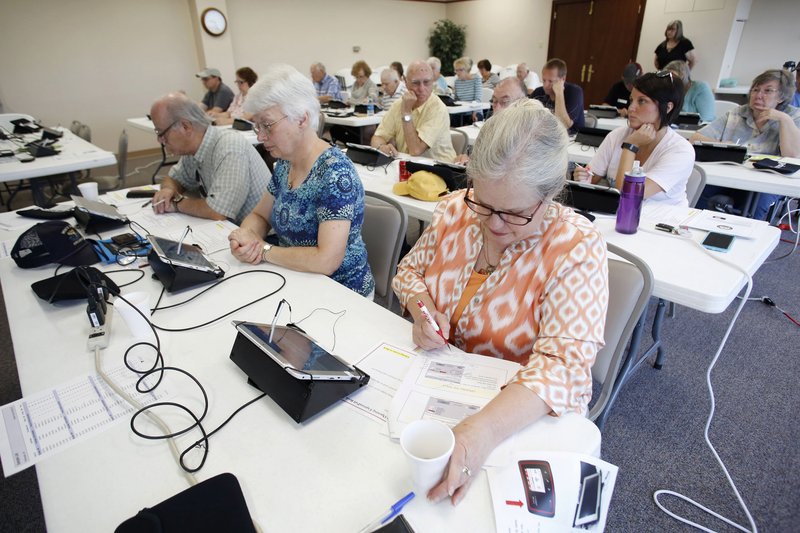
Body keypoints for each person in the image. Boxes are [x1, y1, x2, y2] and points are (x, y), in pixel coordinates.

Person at [392, 99, 608, 505]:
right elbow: (409, 274)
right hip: (439, 391)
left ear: (551, 196)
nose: (492, 224)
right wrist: (423, 312)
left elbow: (563, 368)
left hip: (519, 419)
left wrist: (480, 433)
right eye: (485, 205)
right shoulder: (457, 210)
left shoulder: (575, 247)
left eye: (513, 213)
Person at [228, 64, 375, 297]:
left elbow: (326, 260)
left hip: (340, 293)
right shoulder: (286, 162)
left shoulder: (335, 174)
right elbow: (259, 216)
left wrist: (262, 249)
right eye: (257, 126)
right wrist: (246, 237)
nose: (260, 136)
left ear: (301, 119)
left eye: (267, 124)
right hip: (294, 277)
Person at [691, 69, 800, 219]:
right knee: (698, 189)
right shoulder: (737, 113)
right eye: (755, 90)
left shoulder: (793, 117)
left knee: (755, 206)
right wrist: (723, 144)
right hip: (730, 176)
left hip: (766, 182)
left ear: (781, 97)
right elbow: (696, 138)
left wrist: (784, 120)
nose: (758, 95)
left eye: (767, 91)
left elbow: (792, 155)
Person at [575, 72, 693, 206]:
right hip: (617, 218)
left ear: (668, 107)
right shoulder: (617, 136)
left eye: (642, 101)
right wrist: (583, 178)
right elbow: (590, 179)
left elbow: (628, 195)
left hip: (661, 223)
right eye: (631, 100)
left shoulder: (680, 150)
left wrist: (630, 146)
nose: (631, 108)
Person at [149, 93, 269, 224]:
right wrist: (169, 190)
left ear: (185, 127)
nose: (159, 140)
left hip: (263, 237)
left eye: (161, 133)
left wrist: (177, 203)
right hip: (235, 231)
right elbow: (173, 179)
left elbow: (218, 212)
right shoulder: (193, 148)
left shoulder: (229, 146)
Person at [370, 60, 456, 162]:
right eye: (415, 83)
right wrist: (381, 147)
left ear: (433, 81)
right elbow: (377, 137)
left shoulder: (438, 108)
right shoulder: (397, 105)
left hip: (438, 171)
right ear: (405, 82)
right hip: (409, 167)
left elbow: (415, 150)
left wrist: (406, 113)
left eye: (427, 82)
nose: (421, 88)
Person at [532, 58, 585, 133]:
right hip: (546, 136)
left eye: (550, 81)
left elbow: (564, 125)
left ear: (563, 79)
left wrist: (559, 93)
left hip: (573, 138)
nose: (546, 85)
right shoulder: (538, 92)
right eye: (544, 80)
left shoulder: (574, 92)